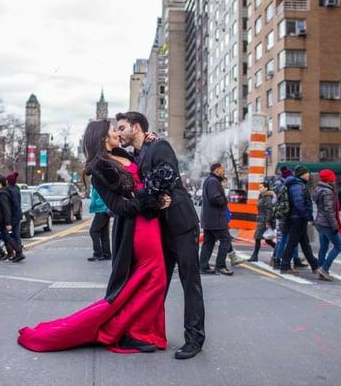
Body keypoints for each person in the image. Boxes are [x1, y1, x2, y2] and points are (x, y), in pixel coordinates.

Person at [18, 120, 170, 353]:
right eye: (113, 130)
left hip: (150, 221)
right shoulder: (100, 168)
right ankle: (122, 331)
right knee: (155, 276)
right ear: (102, 138)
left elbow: (146, 172)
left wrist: (148, 144)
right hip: (136, 226)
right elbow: (119, 207)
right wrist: (151, 201)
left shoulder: (124, 155)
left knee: (145, 281)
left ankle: (140, 331)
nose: (118, 133)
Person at [116, 111, 205, 360]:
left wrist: (141, 196)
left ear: (136, 127)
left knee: (190, 281)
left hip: (181, 222)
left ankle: (195, 338)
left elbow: (166, 175)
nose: (119, 132)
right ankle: (144, 332)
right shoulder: (140, 151)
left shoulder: (159, 146)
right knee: (157, 283)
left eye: (122, 127)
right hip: (160, 227)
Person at [279, 165, 319, 274]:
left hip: (297, 218)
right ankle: (285, 266)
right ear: (301, 174)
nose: (308, 175)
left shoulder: (297, 185)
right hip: (297, 219)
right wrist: (308, 216)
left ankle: (315, 265)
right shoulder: (297, 186)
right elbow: (299, 203)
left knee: (304, 243)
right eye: (306, 173)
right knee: (292, 243)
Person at [199, 163, 236, 275]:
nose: (223, 172)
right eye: (222, 170)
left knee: (209, 242)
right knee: (226, 239)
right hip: (216, 219)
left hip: (210, 219)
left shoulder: (209, 180)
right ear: (217, 170)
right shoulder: (214, 182)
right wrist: (224, 199)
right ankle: (220, 266)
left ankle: (203, 266)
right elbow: (216, 199)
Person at [0, 174, 24, 264]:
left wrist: (8, 223)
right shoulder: (1, 192)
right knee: (7, 238)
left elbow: (6, 209)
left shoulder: (3, 193)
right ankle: (19, 253)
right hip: (0, 219)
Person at [313, 169, 341, 281]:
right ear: (329, 179)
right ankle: (324, 269)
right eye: (333, 178)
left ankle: (321, 268)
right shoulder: (328, 192)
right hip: (326, 223)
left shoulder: (318, 189)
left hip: (319, 222)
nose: (334, 180)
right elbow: (328, 211)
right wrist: (335, 225)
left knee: (324, 247)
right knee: (339, 246)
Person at [271, 166, 303, 269]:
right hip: (288, 215)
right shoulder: (288, 185)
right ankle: (280, 259)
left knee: (286, 238)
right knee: (288, 239)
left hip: (282, 214)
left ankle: (278, 259)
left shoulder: (278, 185)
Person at [248, 182, 276, 262]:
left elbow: (269, 210)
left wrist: (267, 222)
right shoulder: (261, 196)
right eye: (259, 187)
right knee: (267, 239)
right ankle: (278, 249)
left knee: (258, 238)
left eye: (261, 187)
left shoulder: (267, 197)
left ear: (266, 188)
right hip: (261, 219)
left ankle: (255, 256)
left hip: (264, 220)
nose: (259, 189)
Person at [87, 186, 111, 261]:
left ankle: (98, 253)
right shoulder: (99, 180)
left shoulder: (99, 181)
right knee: (104, 233)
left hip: (101, 209)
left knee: (93, 231)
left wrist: (97, 203)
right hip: (103, 210)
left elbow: (102, 195)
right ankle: (106, 254)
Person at [6, 172, 23, 258]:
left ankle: (18, 252)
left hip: (14, 216)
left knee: (9, 235)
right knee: (16, 234)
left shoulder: (11, 190)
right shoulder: (16, 189)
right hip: (18, 215)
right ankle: (18, 253)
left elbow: (14, 204)